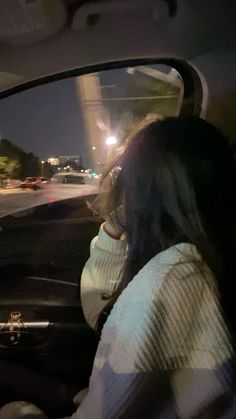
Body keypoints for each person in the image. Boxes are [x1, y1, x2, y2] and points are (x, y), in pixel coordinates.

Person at [1, 116, 236, 418]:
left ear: (144, 189)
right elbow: (104, 314)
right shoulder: (198, 263)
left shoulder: (174, 277)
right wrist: (114, 228)